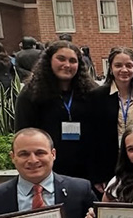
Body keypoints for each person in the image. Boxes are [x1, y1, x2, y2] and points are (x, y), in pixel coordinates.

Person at [15, 41, 95, 181]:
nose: (67, 65)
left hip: (86, 169)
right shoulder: (31, 94)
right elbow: (23, 135)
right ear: (49, 61)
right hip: (48, 170)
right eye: (61, 59)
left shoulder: (91, 93)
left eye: (72, 61)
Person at [87, 47, 133, 193]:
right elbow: (91, 138)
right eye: (118, 65)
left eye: (129, 65)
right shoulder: (97, 96)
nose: (124, 70)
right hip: (107, 165)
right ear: (111, 68)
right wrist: (96, 175)